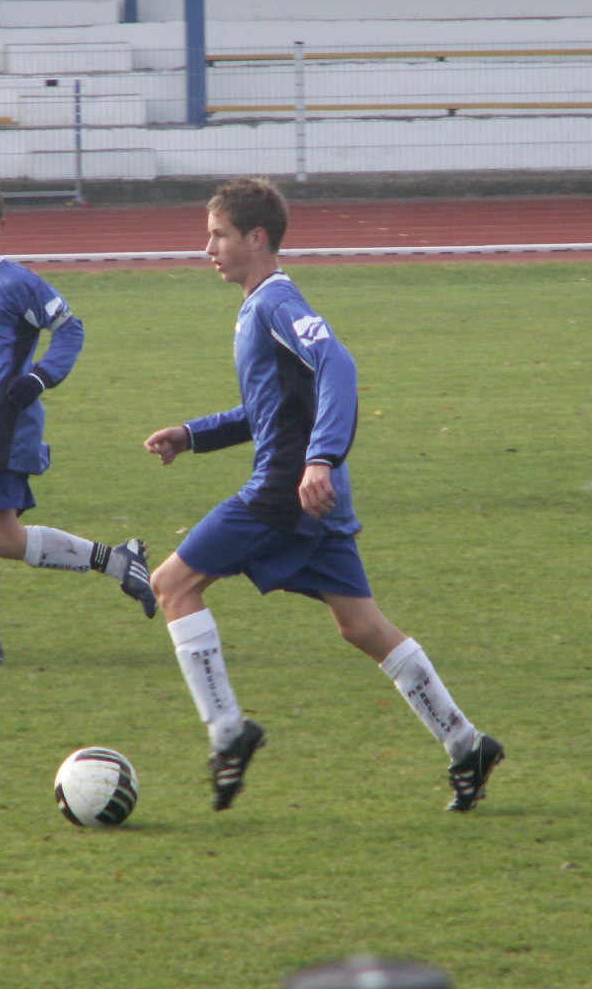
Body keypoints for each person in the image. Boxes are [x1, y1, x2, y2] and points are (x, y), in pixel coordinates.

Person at [143, 177, 504, 813]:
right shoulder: (260, 306)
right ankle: (466, 744)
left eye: (219, 235)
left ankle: (228, 733)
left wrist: (320, 458)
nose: (208, 248)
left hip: (283, 493)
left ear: (256, 239)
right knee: (361, 625)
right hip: (314, 497)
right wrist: (193, 435)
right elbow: (271, 407)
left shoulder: (278, 303)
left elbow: (339, 363)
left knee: (171, 585)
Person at [0, 178, 156, 667]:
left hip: (4, 421)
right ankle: (120, 561)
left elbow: (69, 328)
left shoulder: (16, 281)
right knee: (2, 537)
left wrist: (40, 378)